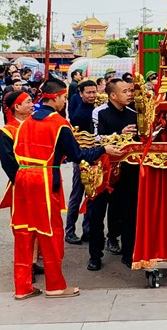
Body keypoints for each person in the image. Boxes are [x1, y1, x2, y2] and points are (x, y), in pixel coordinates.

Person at [6, 77, 120, 300]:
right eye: (63, 97)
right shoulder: (58, 124)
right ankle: (55, 286)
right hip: (44, 179)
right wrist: (104, 149)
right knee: (50, 233)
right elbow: (78, 155)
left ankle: (22, 287)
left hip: (21, 179)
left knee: (23, 232)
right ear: (58, 97)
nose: (64, 102)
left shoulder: (26, 122)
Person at [90, 79, 139, 270]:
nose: (130, 94)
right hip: (104, 170)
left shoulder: (134, 114)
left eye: (130, 91)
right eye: (125, 91)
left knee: (129, 214)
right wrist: (119, 133)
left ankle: (129, 253)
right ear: (112, 95)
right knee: (96, 215)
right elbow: (95, 138)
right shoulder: (99, 112)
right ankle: (95, 256)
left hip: (128, 170)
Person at [65, 79, 98, 245]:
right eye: (88, 93)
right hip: (82, 158)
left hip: (97, 157)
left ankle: (88, 230)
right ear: (81, 94)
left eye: (94, 92)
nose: (92, 95)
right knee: (77, 195)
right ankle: (69, 231)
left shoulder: (98, 110)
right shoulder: (79, 115)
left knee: (92, 196)